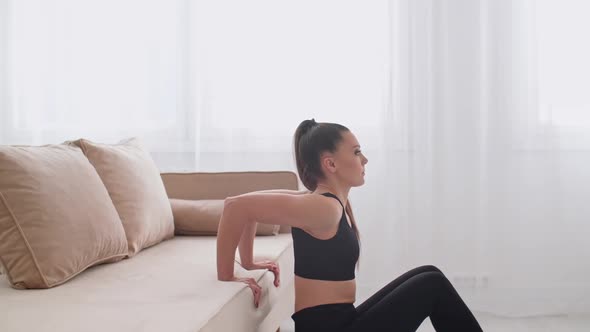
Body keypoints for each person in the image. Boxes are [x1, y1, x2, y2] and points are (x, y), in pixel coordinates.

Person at [216, 119, 484, 331]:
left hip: (343, 321)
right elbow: (235, 207)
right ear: (330, 163)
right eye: (356, 152)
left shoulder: (321, 203)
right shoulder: (322, 208)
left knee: (429, 274)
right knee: (431, 285)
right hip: (331, 329)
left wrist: (249, 262)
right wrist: (229, 273)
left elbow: (246, 210)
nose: (364, 160)